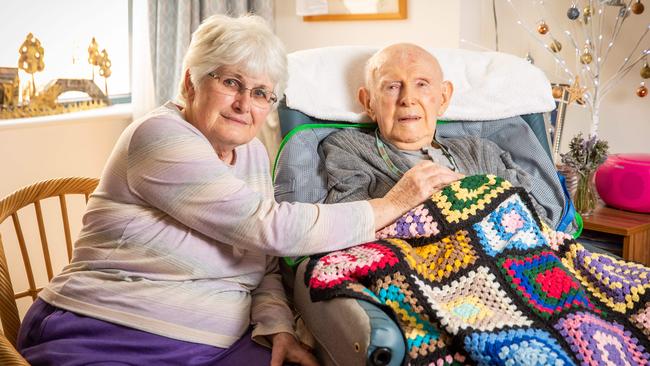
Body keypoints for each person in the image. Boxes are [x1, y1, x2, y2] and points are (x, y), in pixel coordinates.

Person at [16, 17, 451, 366]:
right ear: (190, 82)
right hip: (115, 331)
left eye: (261, 92)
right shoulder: (158, 136)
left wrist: (277, 326)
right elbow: (268, 229)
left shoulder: (253, 155)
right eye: (230, 83)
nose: (246, 104)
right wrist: (391, 204)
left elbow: (261, 264)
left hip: (217, 342)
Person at [321, 43, 564, 227]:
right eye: (392, 86)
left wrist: (475, 191)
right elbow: (346, 226)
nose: (408, 99)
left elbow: (539, 218)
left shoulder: (480, 150)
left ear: (444, 97)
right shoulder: (348, 147)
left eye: (422, 84)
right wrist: (403, 200)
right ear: (369, 102)